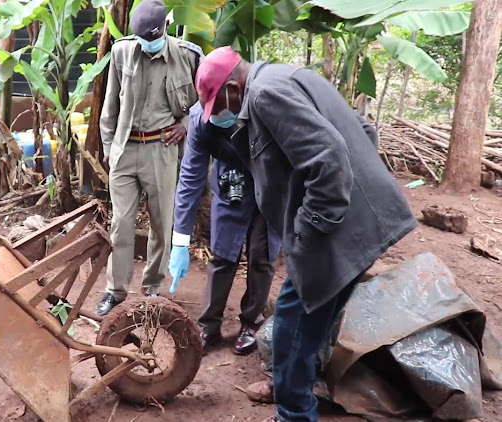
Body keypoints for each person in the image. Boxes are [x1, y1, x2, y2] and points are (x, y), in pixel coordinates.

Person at [194, 47, 417, 422]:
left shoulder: (265, 94)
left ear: (234, 87)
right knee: (315, 317)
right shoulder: (289, 74)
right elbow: (362, 131)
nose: (217, 115)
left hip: (331, 228)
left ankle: (294, 413)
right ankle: (298, 391)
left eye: (217, 105)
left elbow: (328, 157)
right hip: (352, 219)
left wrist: (308, 231)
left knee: (290, 331)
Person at [96, 0, 203, 316]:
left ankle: (152, 290)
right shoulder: (122, 52)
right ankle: (115, 292)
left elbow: (202, 103)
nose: (148, 45)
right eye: (143, 38)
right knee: (122, 224)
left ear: (165, 29)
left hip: (162, 150)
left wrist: (184, 126)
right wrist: (107, 149)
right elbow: (109, 106)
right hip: (125, 149)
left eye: (153, 39)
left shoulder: (188, 57)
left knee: (160, 224)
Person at [169, 102, 281, 355]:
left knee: (262, 256)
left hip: (270, 185)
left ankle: (252, 323)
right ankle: (209, 326)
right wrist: (180, 239)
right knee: (222, 254)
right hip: (231, 184)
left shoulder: (264, 107)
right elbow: (190, 176)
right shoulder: (199, 120)